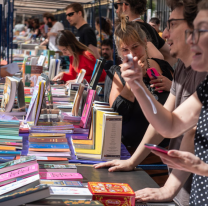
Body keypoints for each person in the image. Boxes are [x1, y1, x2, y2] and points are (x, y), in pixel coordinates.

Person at [95, 0, 206, 205]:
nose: (164, 35)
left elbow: (182, 130)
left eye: (172, 25)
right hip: (188, 193)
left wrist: (192, 174)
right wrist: (137, 85)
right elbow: (170, 125)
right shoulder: (184, 69)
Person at [103, 16, 173, 149]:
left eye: (135, 46)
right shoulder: (117, 74)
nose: (132, 54)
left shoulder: (163, 67)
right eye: (125, 50)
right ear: (119, 52)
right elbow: (116, 117)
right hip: (131, 151)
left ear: (145, 42)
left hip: (166, 151)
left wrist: (172, 87)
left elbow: (182, 106)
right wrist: (131, 82)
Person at [114, 0, 176, 66]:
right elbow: (171, 55)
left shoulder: (135, 29)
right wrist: (164, 72)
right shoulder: (147, 26)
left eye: (116, 6)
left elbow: (158, 57)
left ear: (124, 6)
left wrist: (146, 72)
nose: (116, 11)